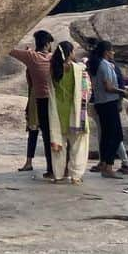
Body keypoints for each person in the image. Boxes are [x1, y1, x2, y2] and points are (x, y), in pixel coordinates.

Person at [10, 31, 56, 177]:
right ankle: (54, 167)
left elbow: (9, 50)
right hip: (53, 100)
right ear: (48, 44)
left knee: (34, 131)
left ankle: (31, 162)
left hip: (37, 98)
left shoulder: (31, 57)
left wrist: (27, 52)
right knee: (51, 134)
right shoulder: (54, 58)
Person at [87, 40, 128, 179]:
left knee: (106, 135)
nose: (113, 53)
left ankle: (105, 164)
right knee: (115, 135)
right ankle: (109, 166)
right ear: (106, 52)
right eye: (112, 50)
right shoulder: (104, 65)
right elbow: (108, 87)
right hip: (108, 102)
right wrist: (122, 91)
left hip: (101, 103)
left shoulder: (98, 64)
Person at [51, 42, 92, 184]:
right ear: (69, 53)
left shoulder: (52, 70)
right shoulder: (79, 69)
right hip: (76, 112)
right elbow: (87, 91)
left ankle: (58, 175)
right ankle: (75, 176)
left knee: (58, 145)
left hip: (58, 112)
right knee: (79, 145)